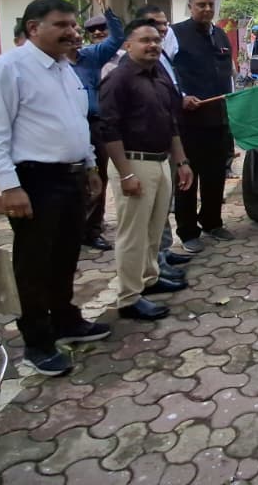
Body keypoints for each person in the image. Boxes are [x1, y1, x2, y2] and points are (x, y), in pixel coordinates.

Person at [0, 0, 111, 376]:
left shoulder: (65, 69)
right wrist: (10, 186)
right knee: (34, 264)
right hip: (34, 180)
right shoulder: (9, 68)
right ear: (34, 28)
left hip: (71, 177)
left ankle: (66, 320)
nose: (72, 32)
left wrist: (90, 165)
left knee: (66, 255)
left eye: (73, 24)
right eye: (61, 25)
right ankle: (37, 342)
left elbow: (77, 122)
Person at [99, 19, 195, 320]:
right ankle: (129, 297)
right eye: (144, 40)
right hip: (133, 162)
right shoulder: (118, 79)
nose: (152, 45)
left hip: (160, 160)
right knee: (133, 235)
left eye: (156, 40)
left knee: (154, 229)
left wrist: (181, 161)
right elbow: (108, 128)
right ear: (128, 45)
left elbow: (171, 121)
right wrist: (126, 173)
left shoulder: (159, 75)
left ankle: (149, 278)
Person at [172, 0, 236, 251]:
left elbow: (228, 73)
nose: (207, 9)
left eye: (210, 4)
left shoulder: (220, 35)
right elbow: (166, 71)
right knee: (187, 179)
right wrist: (181, 96)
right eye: (201, 5)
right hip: (189, 121)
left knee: (215, 176)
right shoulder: (175, 34)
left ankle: (212, 222)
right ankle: (188, 232)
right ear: (190, 7)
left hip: (218, 119)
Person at [129, 4, 190, 280]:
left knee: (162, 208)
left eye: (164, 25)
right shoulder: (125, 72)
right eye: (154, 25)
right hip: (140, 154)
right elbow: (112, 125)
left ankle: (162, 254)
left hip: (165, 144)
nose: (161, 31)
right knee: (145, 217)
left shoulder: (162, 56)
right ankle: (149, 270)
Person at [70, 0, 125, 252]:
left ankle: (92, 230)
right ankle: (71, 230)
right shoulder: (51, 63)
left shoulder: (90, 57)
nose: (72, 34)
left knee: (98, 178)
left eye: (74, 28)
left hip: (94, 125)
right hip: (65, 129)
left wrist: (106, 7)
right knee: (71, 183)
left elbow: (118, 39)